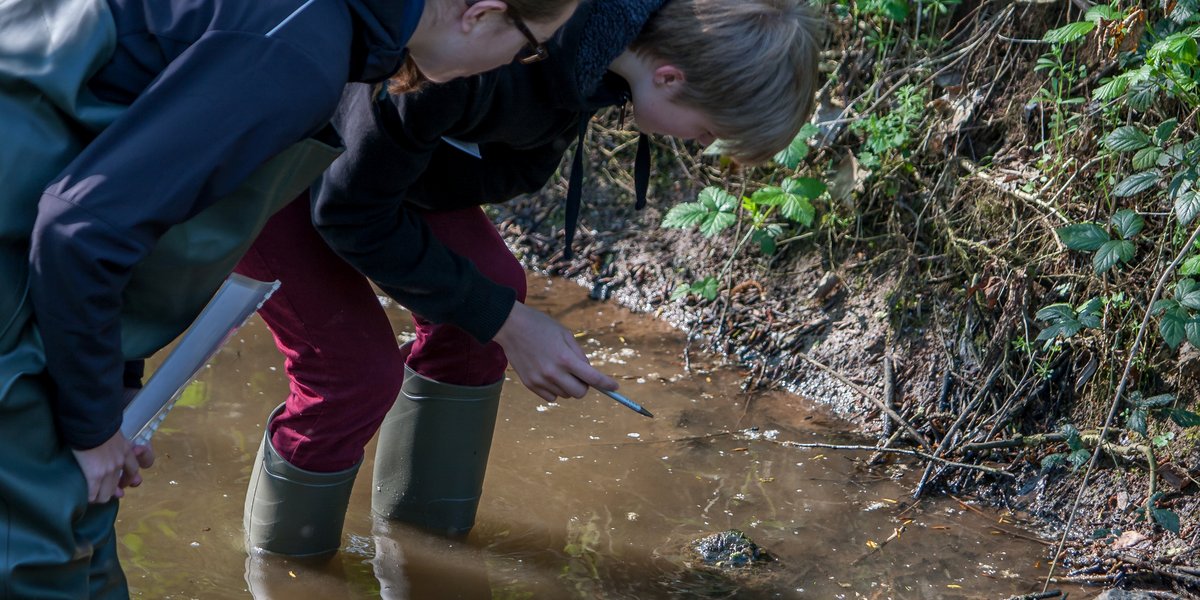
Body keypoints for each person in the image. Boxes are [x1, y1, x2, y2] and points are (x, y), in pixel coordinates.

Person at [0, 0, 579, 595]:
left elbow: (129, 191)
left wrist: (118, 382)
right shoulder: (303, 49)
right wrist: (93, 428)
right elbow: (80, 229)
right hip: (20, 261)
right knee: (45, 556)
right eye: (528, 45)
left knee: (83, 535)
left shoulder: (336, 33)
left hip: (40, 236)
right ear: (479, 14)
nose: (518, 64)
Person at [234, 0, 824, 563]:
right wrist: (509, 324)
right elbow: (347, 211)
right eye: (702, 132)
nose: (694, 145)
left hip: (372, 164)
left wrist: (495, 315)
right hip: (263, 153)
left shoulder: (607, 53)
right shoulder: (483, 48)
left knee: (488, 296)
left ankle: (425, 540)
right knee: (352, 373)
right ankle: (290, 569)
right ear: (668, 78)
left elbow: (389, 176)